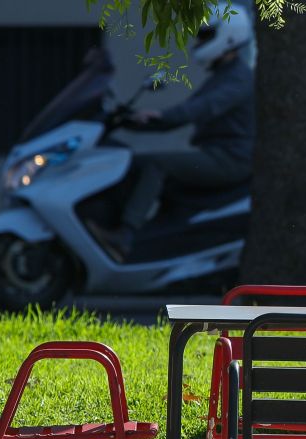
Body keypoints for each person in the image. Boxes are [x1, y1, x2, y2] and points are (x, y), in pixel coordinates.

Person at [92, 8, 255, 260]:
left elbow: (199, 109)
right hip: (215, 154)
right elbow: (181, 116)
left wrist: (160, 116)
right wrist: (129, 121)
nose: (199, 41)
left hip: (230, 159)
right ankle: (147, 242)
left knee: (157, 164)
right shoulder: (222, 76)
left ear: (229, 36)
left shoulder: (238, 79)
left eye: (205, 34)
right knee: (134, 162)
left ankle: (124, 237)